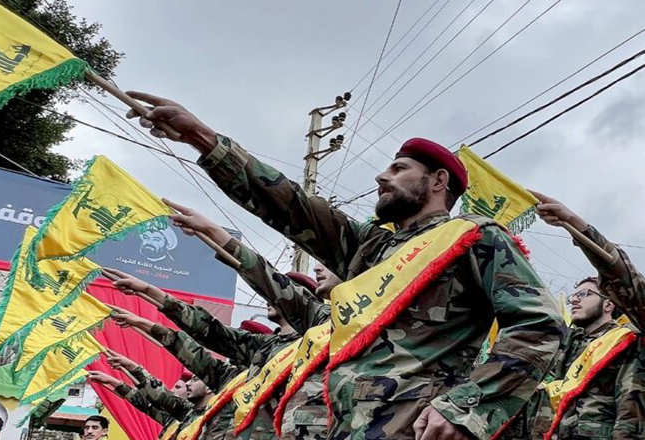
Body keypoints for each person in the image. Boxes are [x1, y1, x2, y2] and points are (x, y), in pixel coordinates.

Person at [124, 92, 565, 440]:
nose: (381, 176)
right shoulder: (373, 249)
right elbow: (293, 207)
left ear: (438, 181)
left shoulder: (474, 236)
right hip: (345, 422)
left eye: (399, 167)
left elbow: (540, 327)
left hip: (414, 425)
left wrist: (466, 408)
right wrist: (203, 137)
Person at [164, 198, 341, 440]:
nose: (319, 269)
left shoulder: (334, 327)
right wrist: (153, 298)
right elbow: (213, 334)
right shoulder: (270, 347)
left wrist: (215, 233)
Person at [521, 192, 645, 439]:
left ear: (609, 303)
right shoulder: (564, 345)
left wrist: (575, 224)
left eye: (584, 295)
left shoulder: (627, 342)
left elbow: (625, 280)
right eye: (573, 296)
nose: (574, 300)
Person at [105, 312, 243, 440]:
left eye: (194, 380)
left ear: (210, 387)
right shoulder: (188, 414)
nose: (188, 384)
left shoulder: (225, 413)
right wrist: (128, 369)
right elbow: (152, 401)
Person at [88, 368, 193, 429]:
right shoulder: (172, 419)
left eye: (178, 387)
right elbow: (145, 405)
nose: (172, 390)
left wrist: (130, 366)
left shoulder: (195, 417)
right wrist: (112, 381)